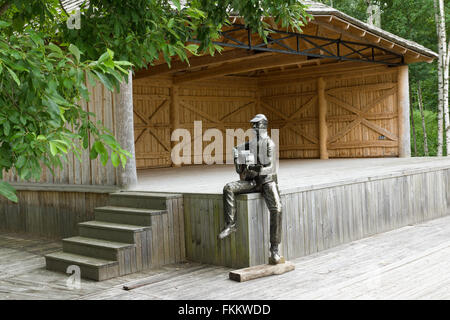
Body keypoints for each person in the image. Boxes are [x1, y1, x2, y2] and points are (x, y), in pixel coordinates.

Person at [218, 114, 283, 264]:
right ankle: (231, 225)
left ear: (264, 126)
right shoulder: (251, 144)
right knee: (228, 188)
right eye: (252, 126)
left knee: (277, 209)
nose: (253, 129)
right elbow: (238, 158)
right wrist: (237, 157)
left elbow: (271, 168)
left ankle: (274, 249)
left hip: (267, 181)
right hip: (252, 181)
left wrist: (254, 168)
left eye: (256, 126)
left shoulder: (269, 144)